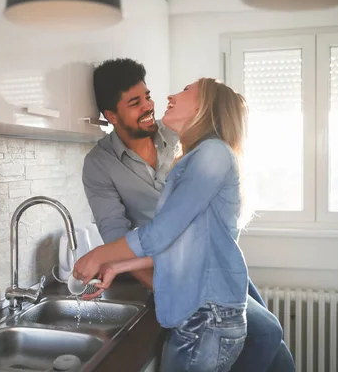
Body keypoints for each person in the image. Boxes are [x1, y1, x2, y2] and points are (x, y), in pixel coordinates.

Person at [77, 58, 294, 371]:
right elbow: (120, 232)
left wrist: (102, 256)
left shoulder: (191, 140)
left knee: (270, 340)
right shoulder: (100, 164)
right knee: (260, 336)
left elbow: (172, 230)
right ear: (111, 116)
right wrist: (163, 283)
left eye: (147, 95)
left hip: (210, 266)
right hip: (171, 266)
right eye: (135, 102)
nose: (151, 105)